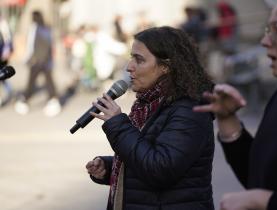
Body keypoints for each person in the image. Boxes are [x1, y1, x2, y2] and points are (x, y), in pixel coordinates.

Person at [194, 0, 277, 209]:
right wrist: (228, 120)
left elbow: (264, 194)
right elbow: (261, 178)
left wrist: (265, 201)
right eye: (268, 30)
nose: (265, 40)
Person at [85, 26, 215, 210]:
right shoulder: (150, 103)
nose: (129, 67)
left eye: (139, 60)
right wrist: (110, 167)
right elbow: (146, 154)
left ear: (165, 67)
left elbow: (160, 169)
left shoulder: (190, 110)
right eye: (132, 57)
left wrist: (118, 125)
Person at [14, 10, 61, 116]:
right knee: (49, 82)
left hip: (37, 61)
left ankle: (24, 101)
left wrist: (27, 59)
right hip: (46, 61)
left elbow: (31, 46)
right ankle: (53, 102)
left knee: (32, 83)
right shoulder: (46, 28)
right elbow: (49, 45)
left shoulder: (35, 28)